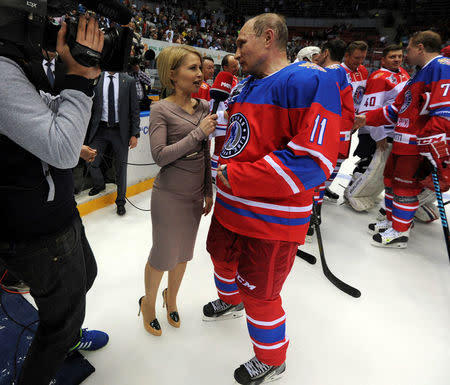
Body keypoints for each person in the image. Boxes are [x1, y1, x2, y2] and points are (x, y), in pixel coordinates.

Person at [202, 13, 341, 384]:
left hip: (271, 222)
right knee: (220, 258)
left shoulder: (309, 80)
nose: (236, 52)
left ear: (267, 37)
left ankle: (272, 359)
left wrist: (236, 176)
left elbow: (313, 160)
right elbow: (238, 137)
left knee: (261, 294)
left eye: (241, 43)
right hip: (229, 210)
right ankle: (230, 302)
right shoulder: (244, 86)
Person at [0, 10, 109, 385]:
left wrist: (81, 79)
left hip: (55, 211)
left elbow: (45, 108)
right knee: (59, 325)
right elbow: (61, 150)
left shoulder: (16, 62)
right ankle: (63, 339)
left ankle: (64, 326)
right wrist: (79, 77)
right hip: (37, 227)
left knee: (86, 275)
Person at [139, 46, 216, 336]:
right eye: (192, 68)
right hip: (169, 196)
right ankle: (148, 303)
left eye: (200, 68)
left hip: (195, 195)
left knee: (183, 255)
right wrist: (198, 133)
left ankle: (170, 298)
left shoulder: (204, 108)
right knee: (162, 255)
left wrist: (208, 189)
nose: (200, 74)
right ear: (172, 74)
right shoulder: (160, 109)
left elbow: (204, 152)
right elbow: (160, 155)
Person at [354, 31, 450, 248]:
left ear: (420, 47)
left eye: (408, 49)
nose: (405, 54)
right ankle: (393, 221)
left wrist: (433, 141)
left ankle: (400, 232)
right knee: (391, 182)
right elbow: (397, 109)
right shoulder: (418, 74)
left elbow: (445, 110)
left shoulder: (442, 66)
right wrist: (365, 118)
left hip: (416, 144)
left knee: (405, 188)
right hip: (401, 140)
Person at [345, 44, 410, 212]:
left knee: (381, 167)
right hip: (375, 130)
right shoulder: (379, 77)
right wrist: (378, 135)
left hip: (392, 130)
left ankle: (367, 192)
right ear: (383, 59)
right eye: (392, 57)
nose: (397, 59)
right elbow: (369, 110)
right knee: (368, 163)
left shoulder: (403, 73)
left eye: (399, 56)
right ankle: (352, 191)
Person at [306, 39, 354, 240]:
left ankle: (309, 219)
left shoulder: (331, 73)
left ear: (326, 52)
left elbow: (320, 106)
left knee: (314, 178)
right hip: (338, 134)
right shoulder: (341, 72)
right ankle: (313, 216)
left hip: (328, 134)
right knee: (319, 179)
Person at [87, 71, 140, 216]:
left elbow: (135, 109)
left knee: (121, 168)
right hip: (100, 129)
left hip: (120, 131)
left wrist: (135, 133)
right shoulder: (96, 77)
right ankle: (99, 184)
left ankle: (121, 202)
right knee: (90, 159)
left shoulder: (128, 81)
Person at [339, 41, 369, 201]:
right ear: (347, 55)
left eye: (363, 58)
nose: (360, 62)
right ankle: (318, 190)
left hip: (353, 123)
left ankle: (327, 186)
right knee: (333, 155)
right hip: (338, 122)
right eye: (357, 58)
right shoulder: (338, 71)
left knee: (343, 156)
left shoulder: (363, 71)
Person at [211, 54, 240, 181]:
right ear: (225, 67)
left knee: (224, 149)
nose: (237, 68)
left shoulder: (235, 80)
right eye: (233, 66)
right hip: (222, 119)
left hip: (228, 119)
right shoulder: (223, 80)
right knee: (219, 149)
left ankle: (216, 174)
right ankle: (213, 175)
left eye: (237, 65)